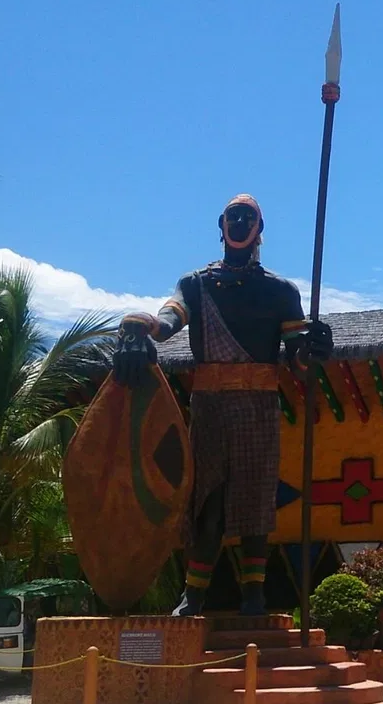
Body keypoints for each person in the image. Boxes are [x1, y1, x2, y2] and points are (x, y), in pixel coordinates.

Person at [113, 194, 332, 617]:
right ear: (221, 224)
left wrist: (315, 351)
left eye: (248, 217)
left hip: (258, 405)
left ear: (260, 229)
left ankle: (254, 594)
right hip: (210, 405)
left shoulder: (280, 292)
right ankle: (194, 594)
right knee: (207, 501)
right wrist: (141, 325)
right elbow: (168, 322)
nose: (240, 222)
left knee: (255, 498)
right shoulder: (195, 284)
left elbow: (298, 362)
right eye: (233, 216)